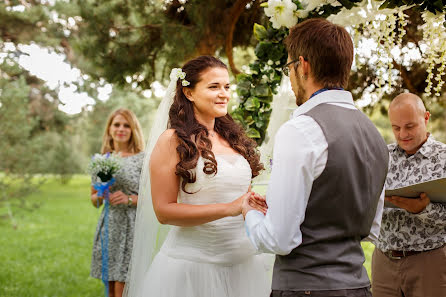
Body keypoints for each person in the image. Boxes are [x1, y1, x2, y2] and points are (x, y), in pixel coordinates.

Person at [242, 18, 389, 297]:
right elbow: (374, 227)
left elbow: (279, 238)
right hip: (358, 287)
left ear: (303, 65)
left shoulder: (301, 130)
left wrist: (250, 215)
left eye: (289, 68)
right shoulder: (375, 135)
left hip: (306, 289)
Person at [124, 55, 271, 297]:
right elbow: (164, 211)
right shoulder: (172, 141)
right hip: (193, 269)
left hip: (243, 266)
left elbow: (240, 197)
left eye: (227, 87)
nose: (223, 93)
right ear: (189, 93)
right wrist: (229, 208)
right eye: (214, 87)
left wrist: (254, 204)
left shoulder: (235, 140)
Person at [371, 93, 446, 297]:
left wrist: (424, 210)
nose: (403, 133)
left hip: (429, 263)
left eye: (410, 126)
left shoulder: (444, 159)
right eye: (396, 127)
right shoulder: (381, 157)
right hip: (383, 262)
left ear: (426, 118)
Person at [90, 108, 145, 297]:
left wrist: (129, 199)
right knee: (110, 286)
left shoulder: (142, 159)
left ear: (133, 129)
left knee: (123, 286)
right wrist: (100, 195)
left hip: (131, 228)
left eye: (126, 125)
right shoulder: (101, 159)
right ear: (109, 129)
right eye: (117, 124)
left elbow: (153, 197)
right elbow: (93, 200)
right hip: (109, 226)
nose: (121, 129)